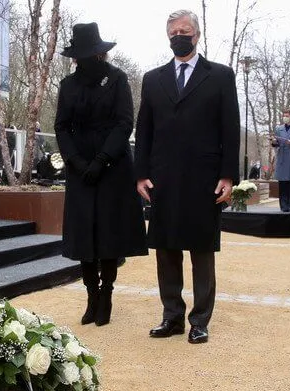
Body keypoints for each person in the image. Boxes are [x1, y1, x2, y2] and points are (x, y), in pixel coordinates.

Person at [135, 9, 240, 344]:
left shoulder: (221, 76)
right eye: (173, 32)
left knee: (201, 249)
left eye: (184, 31)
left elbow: (230, 129)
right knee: (165, 249)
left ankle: (200, 320)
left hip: (204, 177)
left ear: (196, 35)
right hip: (163, 177)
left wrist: (228, 175)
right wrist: (140, 175)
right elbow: (144, 130)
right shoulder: (152, 79)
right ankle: (172, 317)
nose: (178, 36)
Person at [55, 22, 148, 327]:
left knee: (108, 233)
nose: (83, 60)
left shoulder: (117, 79)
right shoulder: (68, 85)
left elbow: (124, 123)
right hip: (79, 166)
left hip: (113, 164)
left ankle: (106, 294)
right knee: (85, 234)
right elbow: (61, 126)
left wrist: (102, 160)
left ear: (99, 54)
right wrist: (77, 161)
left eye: (88, 54)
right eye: (78, 56)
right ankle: (91, 295)